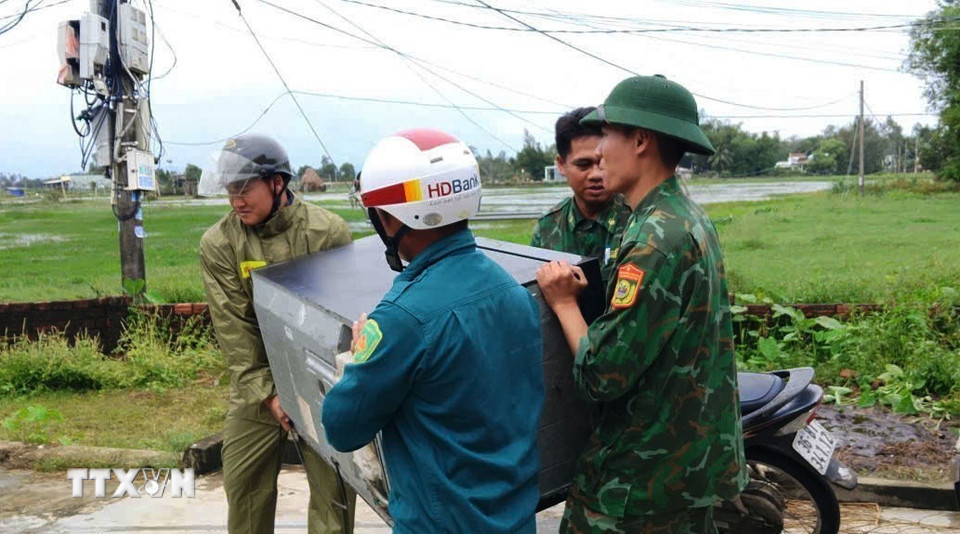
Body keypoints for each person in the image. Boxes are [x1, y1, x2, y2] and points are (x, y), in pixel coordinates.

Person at [535, 75, 747, 533]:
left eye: (607, 136)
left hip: (641, 478)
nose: (599, 153)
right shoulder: (683, 216)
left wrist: (565, 303)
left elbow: (602, 373)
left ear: (640, 140)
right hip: (683, 464)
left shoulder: (654, 238)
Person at [321, 129, 544, 533]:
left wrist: (359, 357)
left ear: (390, 218)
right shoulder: (515, 294)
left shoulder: (401, 319)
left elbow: (342, 427)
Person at [198, 134, 357, 534]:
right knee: (244, 486)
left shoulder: (326, 233)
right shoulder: (220, 244)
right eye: (229, 189)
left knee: (334, 494)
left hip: (321, 379)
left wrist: (317, 387)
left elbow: (339, 322)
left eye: (244, 188)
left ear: (277, 182)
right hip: (257, 383)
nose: (236, 200)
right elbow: (234, 329)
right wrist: (270, 393)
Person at [531, 107, 631, 284]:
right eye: (583, 165)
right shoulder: (547, 228)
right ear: (561, 164)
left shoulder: (637, 220)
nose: (595, 174)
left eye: (603, 162)